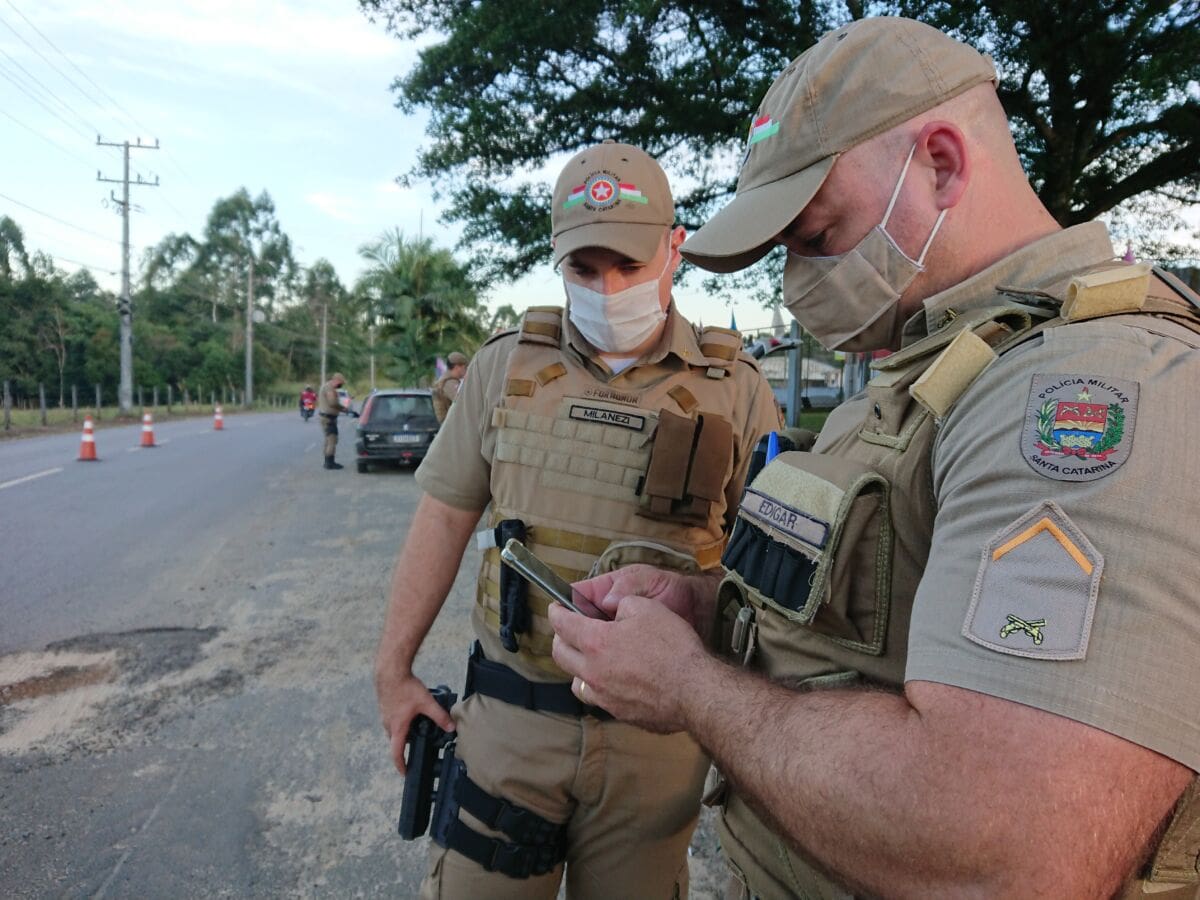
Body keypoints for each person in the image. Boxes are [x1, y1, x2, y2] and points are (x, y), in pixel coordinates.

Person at [547, 17, 1200, 900]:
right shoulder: (935, 361)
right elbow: (890, 608)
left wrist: (689, 687)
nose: (796, 282)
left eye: (816, 236)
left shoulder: (1092, 393)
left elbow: (1003, 852)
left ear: (941, 163)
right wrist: (715, 613)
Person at [373, 140, 781, 898]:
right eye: (585, 269)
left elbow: (770, 577)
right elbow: (442, 520)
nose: (607, 287)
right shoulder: (503, 368)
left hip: (655, 746)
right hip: (507, 729)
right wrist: (391, 672)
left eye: (629, 265)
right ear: (558, 259)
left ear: (674, 248)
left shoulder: (739, 389)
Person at [317, 372, 355, 469]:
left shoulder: (327, 387)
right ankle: (330, 462)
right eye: (341, 383)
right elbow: (333, 403)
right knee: (332, 439)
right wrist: (343, 408)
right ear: (336, 380)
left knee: (328, 439)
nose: (341, 385)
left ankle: (327, 461)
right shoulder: (329, 388)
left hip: (327, 416)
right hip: (328, 418)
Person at [432, 351, 469, 423]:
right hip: (451, 426)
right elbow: (463, 401)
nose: (466, 370)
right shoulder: (449, 383)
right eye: (464, 367)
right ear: (457, 367)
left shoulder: (446, 380)